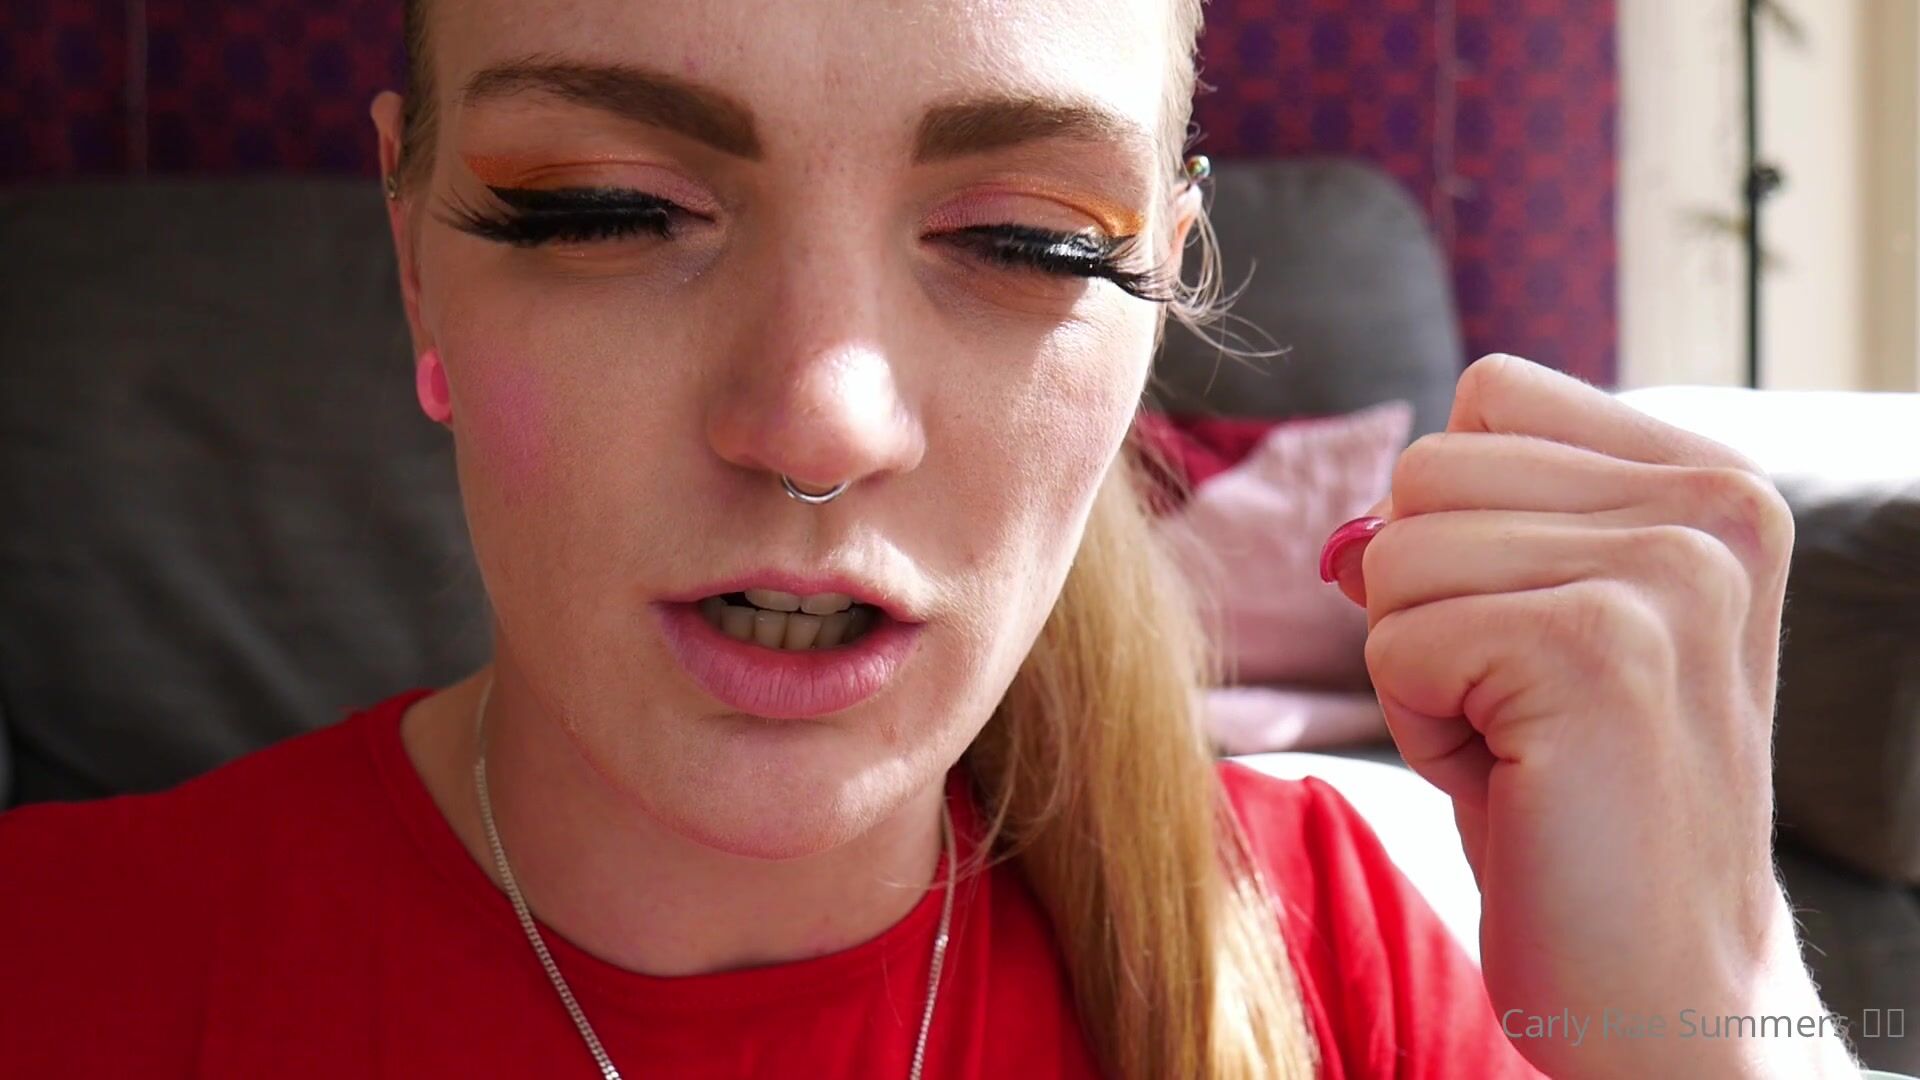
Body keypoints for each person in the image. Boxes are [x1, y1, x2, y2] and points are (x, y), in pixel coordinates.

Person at [0, 1, 1887, 1077]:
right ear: (418, 255)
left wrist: (1722, 1009)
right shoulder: (54, 969)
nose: (821, 418)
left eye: (1028, 241)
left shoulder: (1337, 964)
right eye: (603, 208)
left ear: (1157, 287)